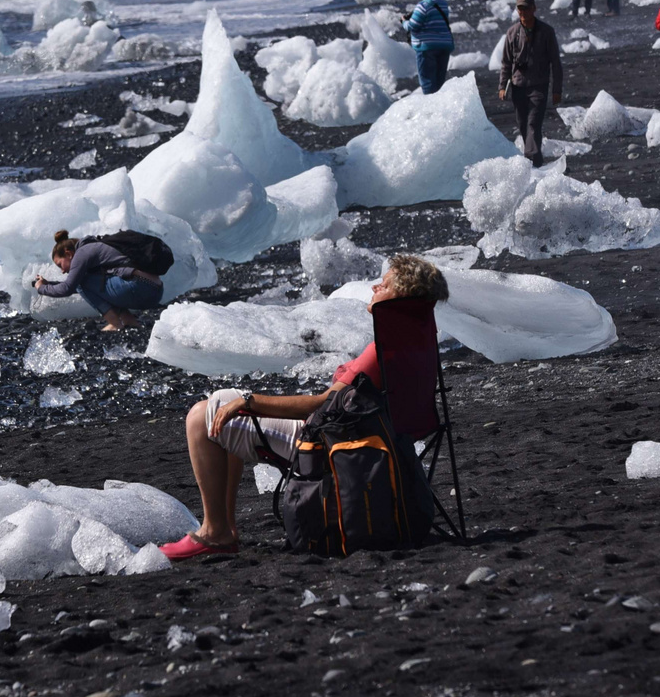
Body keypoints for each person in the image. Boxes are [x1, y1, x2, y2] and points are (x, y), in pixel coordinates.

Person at [164, 255, 448, 560]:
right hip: (378, 438)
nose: (376, 286)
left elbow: (320, 407)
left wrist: (250, 402)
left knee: (201, 417)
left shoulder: (380, 352)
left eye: (387, 284)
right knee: (222, 401)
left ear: (402, 295)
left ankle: (215, 532)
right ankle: (224, 528)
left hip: (337, 444)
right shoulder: (417, 337)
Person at [33, 230, 164, 330]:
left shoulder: (82, 253)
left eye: (60, 264)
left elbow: (68, 288)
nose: (62, 270)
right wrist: (48, 283)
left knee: (81, 282)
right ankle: (129, 321)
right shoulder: (95, 246)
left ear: (68, 253)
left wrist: (41, 288)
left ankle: (115, 323)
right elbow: (91, 288)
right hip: (155, 290)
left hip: (138, 287)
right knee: (84, 283)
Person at [497, 0, 562, 166]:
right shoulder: (512, 33)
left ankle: (529, 157)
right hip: (518, 85)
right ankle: (537, 160)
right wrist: (502, 86)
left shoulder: (547, 32)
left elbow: (555, 62)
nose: (523, 11)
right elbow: (506, 62)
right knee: (523, 125)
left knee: (534, 122)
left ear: (534, 8)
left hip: (539, 85)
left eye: (526, 8)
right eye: (520, 8)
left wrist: (557, 90)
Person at [401, 0, 453, 94]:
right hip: (444, 45)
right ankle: (440, 106)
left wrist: (404, 21)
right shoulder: (443, 3)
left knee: (428, 81)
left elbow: (413, 26)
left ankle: (431, 108)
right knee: (439, 82)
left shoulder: (422, 5)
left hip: (427, 47)